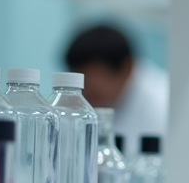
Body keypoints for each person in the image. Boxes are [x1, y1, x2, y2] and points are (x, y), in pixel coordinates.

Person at [64, 24, 167, 157]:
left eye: (94, 91)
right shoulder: (96, 99)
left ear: (126, 69)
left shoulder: (163, 105)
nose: (87, 98)